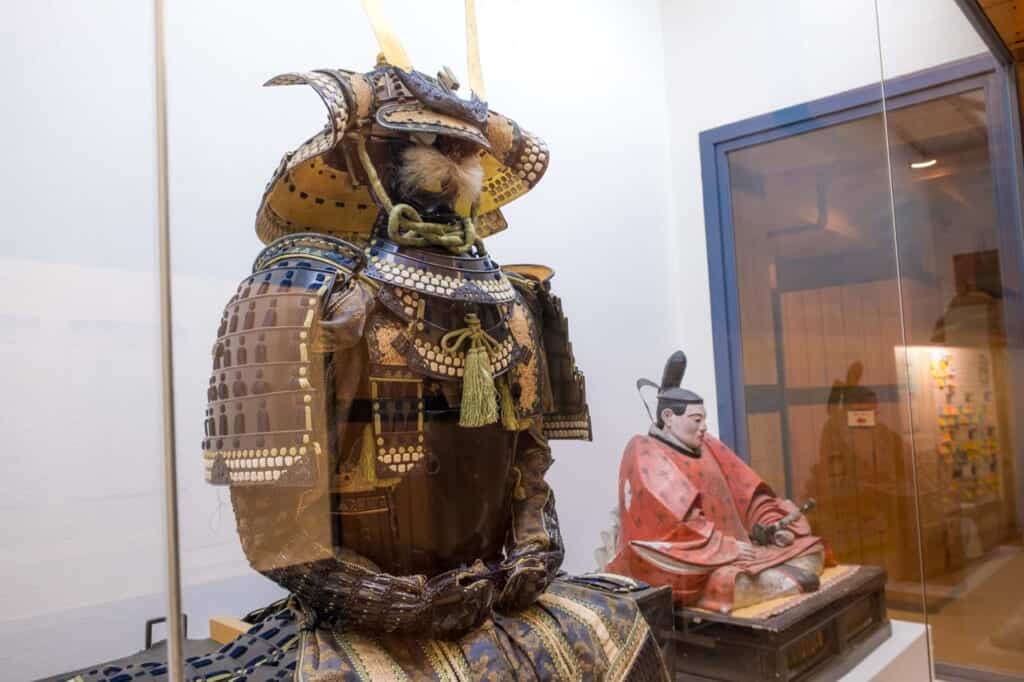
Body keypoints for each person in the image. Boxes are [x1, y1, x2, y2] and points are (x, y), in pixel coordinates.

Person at [607, 351, 828, 614]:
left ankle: (773, 577)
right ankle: (764, 582)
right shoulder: (645, 451)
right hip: (697, 562)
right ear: (667, 417)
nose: (703, 427)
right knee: (726, 580)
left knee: (811, 550)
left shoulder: (707, 444)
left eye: (704, 419)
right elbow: (674, 528)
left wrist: (768, 525)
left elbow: (748, 493)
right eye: (696, 420)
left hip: (744, 550)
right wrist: (727, 549)